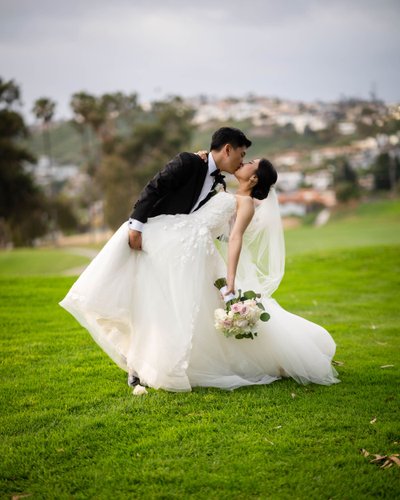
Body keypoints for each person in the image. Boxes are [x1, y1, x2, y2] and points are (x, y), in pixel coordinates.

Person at [60, 147, 340, 392]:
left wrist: (230, 279)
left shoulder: (245, 203)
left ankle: (155, 362)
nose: (244, 162)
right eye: (244, 156)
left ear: (254, 178)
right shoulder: (225, 191)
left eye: (249, 162)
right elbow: (216, 226)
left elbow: (235, 239)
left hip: (190, 250)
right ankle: (139, 356)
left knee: (175, 307)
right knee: (151, 290)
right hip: (181, 241)